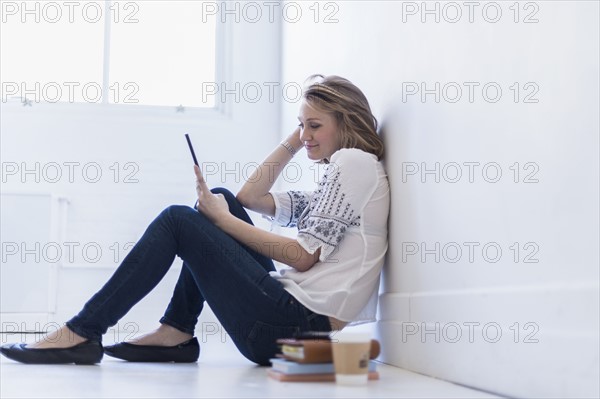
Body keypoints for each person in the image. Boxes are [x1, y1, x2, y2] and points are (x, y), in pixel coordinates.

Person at [0, 74, 390, 366]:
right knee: (220, 198)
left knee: (180, 220)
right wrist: (300, 135)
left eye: (315, 125)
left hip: (292, 328)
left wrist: (220, 222)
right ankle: (178, 330)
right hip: (290, 323)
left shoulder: (353, 163)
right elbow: (248, 198)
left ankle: (82, 332)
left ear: (346, 121)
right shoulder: (339, 180)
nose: (305, 134)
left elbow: (303, 257)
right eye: (302, 124)